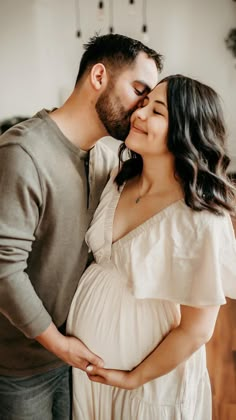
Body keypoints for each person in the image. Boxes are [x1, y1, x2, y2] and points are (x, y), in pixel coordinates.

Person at [0, 34, 162, 419]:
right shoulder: (23, 152)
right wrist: (58, 344)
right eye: (139, 92)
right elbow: (4, 269)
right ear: (99, 76)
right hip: (20, 367)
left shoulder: (105, 159)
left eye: (151, 103)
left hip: (73, 358)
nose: (141, 111)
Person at [67, 74, 236, 419]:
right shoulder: (118, 179)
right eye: (143, 104)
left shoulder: (201, 217)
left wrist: (132, 378)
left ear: (186, 132)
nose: (139, 114)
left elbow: (197, 330)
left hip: (148, 383)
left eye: (157, 111)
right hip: (88, 375)